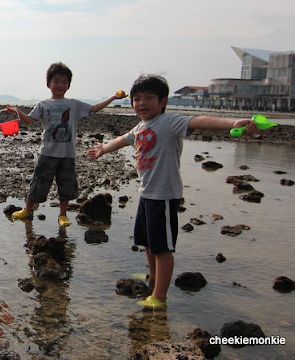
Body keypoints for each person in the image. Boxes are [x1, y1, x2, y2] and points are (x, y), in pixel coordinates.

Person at [88, 74, 258, 309]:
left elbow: (199, 121)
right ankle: (153, 277)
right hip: (147, 193)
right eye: (137, 99)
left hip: (164, 195)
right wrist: (103, 149)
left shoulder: (169, 122)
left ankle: (159, 297)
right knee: (147, 242)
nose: (142, 103)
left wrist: (233, 123)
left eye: (149, 98)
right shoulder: (140, 127)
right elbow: (122, 140)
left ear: (163, 101)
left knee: (162, 248)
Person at [8, 62, 126, 227]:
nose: (60, 85)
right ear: (48, 84)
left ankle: (62, 215)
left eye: (64, 82)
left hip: (67, 155)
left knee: (66, 185)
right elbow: (28, 120)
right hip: (47, 153)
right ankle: (27, 210)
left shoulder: (73, 104)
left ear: (69, 85)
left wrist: (113, 98)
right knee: (38, 182)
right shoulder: (43, 104)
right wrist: (17, 111)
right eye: (56, 81)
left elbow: (94, 108)